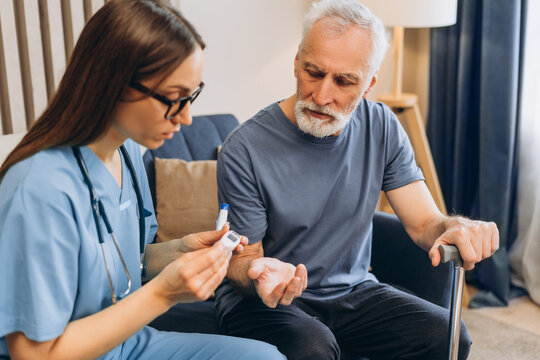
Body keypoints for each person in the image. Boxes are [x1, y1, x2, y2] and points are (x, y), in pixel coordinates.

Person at [0, 1, 286, 359]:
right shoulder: (39, 189)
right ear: (114, 83)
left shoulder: (130, 154)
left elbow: (128, 260)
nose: (186, 118)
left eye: (192, 96)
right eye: (174, 99)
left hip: (128, 345)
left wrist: (180, 251)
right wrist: (164, 293)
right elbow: (33, 353)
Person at [215, 0, 499, 359]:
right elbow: (241, 262)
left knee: (449, 336)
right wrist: (257, 271)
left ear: (368, 84)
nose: (321, 95)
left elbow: (425, 222)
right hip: (267, 303)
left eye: (344, 81)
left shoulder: (382, 127)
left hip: (353, 292)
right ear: (297, 60)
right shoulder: (244, 148)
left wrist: (457, 227)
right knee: (312, 347)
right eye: (313, 72)